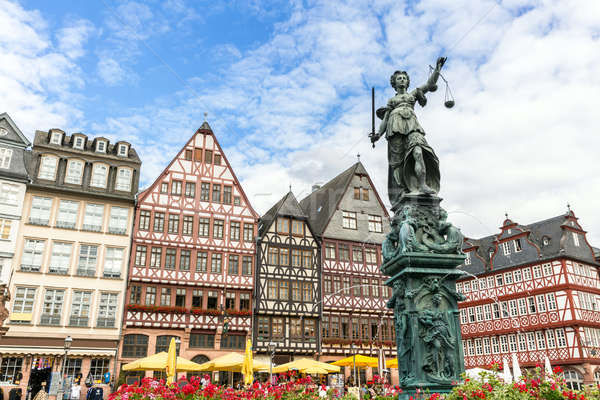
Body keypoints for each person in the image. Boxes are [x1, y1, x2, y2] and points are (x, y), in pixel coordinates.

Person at [371, 57, 446, 209]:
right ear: (394, 83)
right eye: (399, 78)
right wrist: (378, 135)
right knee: (398, 163)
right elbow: (385, 120)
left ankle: (422, 184)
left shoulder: (412, 95)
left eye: (404, 78)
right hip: (395, 129)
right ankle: (404, 189)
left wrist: (437, 69)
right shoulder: (391, 101)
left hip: (412, 126)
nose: (402, 80)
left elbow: (430, 84)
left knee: (419, 152)